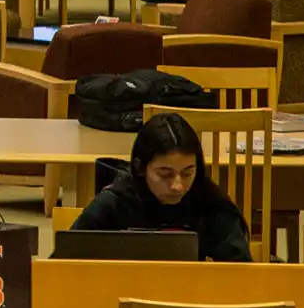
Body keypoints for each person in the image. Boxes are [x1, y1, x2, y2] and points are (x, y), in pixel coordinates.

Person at [71, 112, 252, 262]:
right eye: (165, 174)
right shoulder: (115, 201)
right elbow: (61, 265)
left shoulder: (210, 203)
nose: (178, 186)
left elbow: (240, 274)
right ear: (140, 167)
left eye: (188, 172)